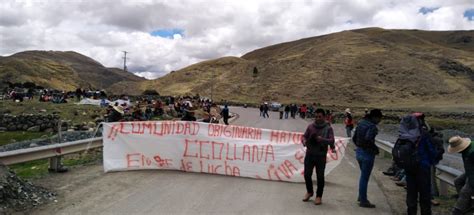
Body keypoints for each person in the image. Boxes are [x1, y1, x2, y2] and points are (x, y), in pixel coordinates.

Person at [401, 113, 437, 215]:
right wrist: (432, 161)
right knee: (425, 195)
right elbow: (432, 151)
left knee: (411, 194)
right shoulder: (424, 133)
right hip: (423, 167)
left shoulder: (404, 134)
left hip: (409, 168)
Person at [302, 108, 336, 205]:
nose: (317, 118)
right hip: (309, 154)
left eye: (319, 117)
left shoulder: (328, 128)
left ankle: (318, 196)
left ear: (324, 117)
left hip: (321, 156)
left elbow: (331, 140)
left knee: (320, 177)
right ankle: (309, 192)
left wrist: (322, 139)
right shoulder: (310, 127)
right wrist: (304, 141)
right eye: (316, 116)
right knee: (307, 175)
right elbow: (304, 136)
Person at [353, 109, 383, 208]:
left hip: (359, 152)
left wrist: (359, 146)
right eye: (379, 119)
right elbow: (368, 139)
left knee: (363, 176)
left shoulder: (361, 123)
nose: (379, 121)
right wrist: (375, 149)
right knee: (365, 177)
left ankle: (361, 196)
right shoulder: (372, 127)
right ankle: (363, 200)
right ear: (375, 117)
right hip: (367, 154)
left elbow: (354, 137)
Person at [449, 136, 474, 215]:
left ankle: (458, 211)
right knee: (458, 181)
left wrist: (471, 184)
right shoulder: (465, 150)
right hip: (470, 171)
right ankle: (468, 204)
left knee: (465, 192)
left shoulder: (472, 152)